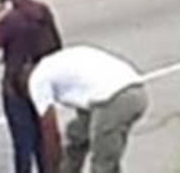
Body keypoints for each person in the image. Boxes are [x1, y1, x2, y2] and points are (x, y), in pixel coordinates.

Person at [0, 0, 63, 173]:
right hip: (42, 82)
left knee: (23, 144)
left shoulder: (10, 20)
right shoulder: (43, 12)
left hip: (15, 86)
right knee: (43, 142)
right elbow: (56, 45)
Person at [30, 44, 148, 173]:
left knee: (102, 163)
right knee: (76, 135)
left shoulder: (37, 77)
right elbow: (86, 95)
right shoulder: (57, 63)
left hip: (114, 98)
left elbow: (50, 131)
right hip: (135, 90)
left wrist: (51, 168)